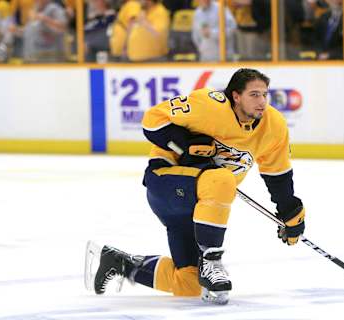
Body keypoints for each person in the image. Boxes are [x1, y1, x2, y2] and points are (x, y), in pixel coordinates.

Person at [85, 68, 306, 305]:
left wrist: (289, 211)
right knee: (222, 180)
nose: (262, 101)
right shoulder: (208, 105)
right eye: (254, 94)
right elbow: (152, 120)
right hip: (167, 183)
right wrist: (185, 145)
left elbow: (278, 174)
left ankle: (120, 263)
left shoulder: (274, 126)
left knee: (188, 283)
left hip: (202, 205)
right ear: (236, 96)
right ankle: (211, 260)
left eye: (264, 94)